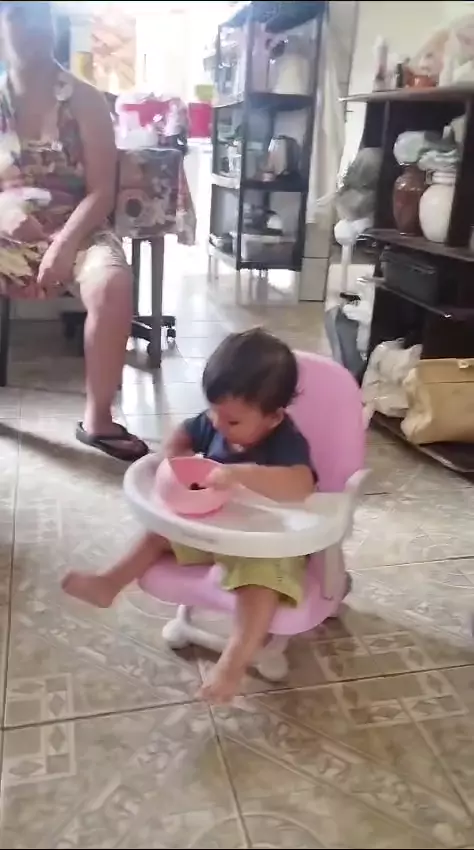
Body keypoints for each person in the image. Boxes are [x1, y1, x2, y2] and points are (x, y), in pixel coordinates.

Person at [63, 329, 317, 703]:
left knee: (261, 585)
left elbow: (301, 484)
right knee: (156, 535)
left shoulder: (286, 440)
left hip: (263, 542)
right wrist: (174, 457)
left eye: (232, 422)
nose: (218, 424)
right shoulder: (217, 418)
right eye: (213, 411)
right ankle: (108, 583)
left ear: (274, 417)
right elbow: (182, 435)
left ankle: (233, 664)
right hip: (213, 527)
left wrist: (242, 474)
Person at [0, 0, 148, 461]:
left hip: (78, 226)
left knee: (113, 283)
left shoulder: (85, 99)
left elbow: (102, 190)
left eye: (40, 15)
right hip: (7, 225)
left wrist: (63, 246)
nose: (32, 27)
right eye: (17, 15)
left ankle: (98, 419)